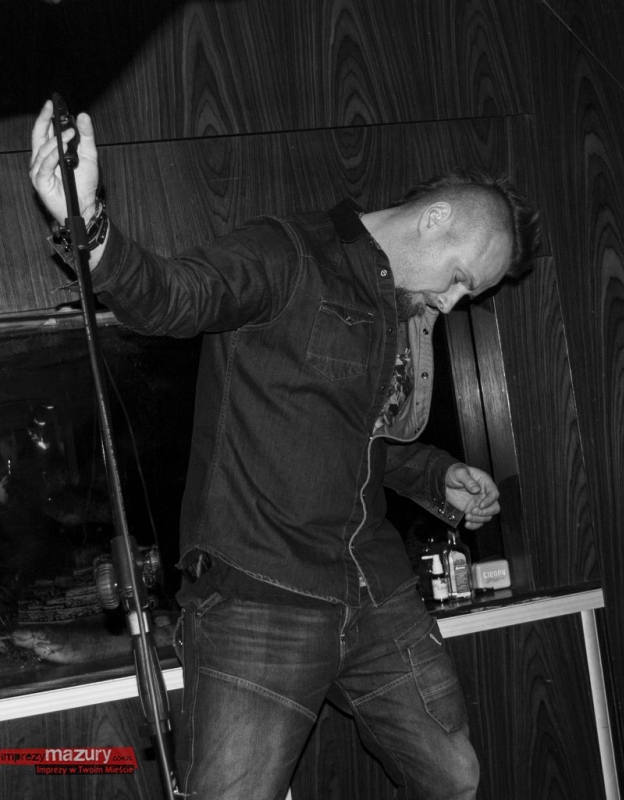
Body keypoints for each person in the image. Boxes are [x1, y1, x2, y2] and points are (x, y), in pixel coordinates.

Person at [30, 100, 540, 800]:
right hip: (261, 599)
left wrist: (438, 473)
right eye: (460, 278)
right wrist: (86, 224)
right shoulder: (288, 252)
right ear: (435, 218)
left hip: (374, 591)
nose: (453, 303)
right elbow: (173, 296)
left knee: (455, 776)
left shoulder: (398, 311)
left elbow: (355, 442)